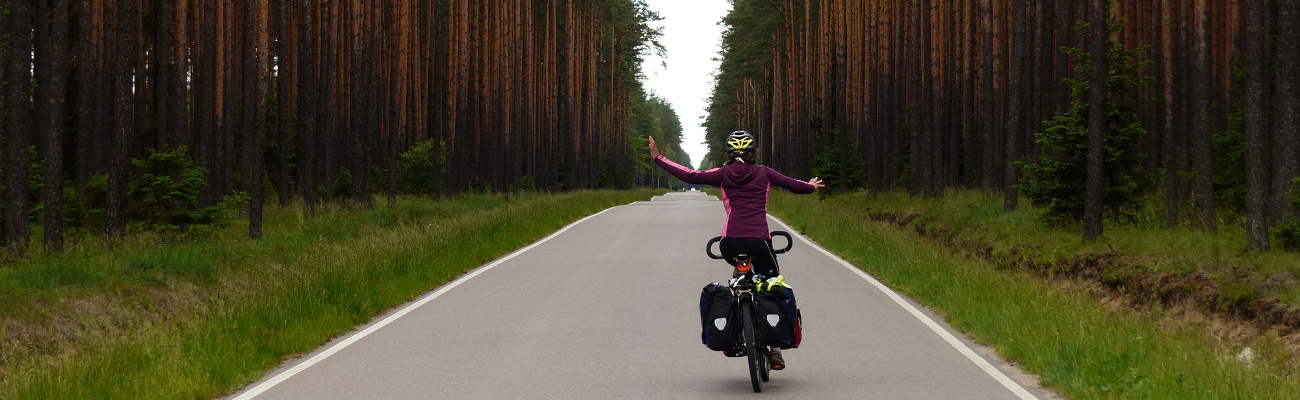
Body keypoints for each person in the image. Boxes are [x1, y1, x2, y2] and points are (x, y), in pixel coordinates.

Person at [647, 130, 824, 370]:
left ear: (729, 155)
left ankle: (736, 325)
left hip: (730, 242)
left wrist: (659, 158)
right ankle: (775, 349)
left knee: (739, 278)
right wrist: (811, 187)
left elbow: (690, 176)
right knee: (771, 283)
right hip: (759, 241)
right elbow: (795, 186)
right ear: (753, 154)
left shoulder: (722, 173)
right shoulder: (765, 173)